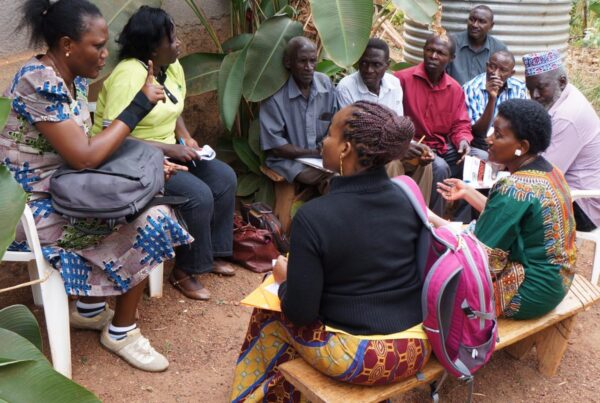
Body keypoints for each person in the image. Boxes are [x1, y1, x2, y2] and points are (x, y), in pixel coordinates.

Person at [2, 0, 193, 371]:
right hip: (27, 207)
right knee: (149, 215)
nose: (106, 54)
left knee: (143, 192)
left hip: (66, 189)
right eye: (97, 46)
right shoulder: (36, 81)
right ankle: (121, 331)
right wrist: (138, 105)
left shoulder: (73, 79)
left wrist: (146, 162)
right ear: (67, 44)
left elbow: (91, 146)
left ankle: (89, 309)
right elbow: (85, 156)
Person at [230, 101, 431, 402]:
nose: (323, 142)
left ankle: (255, 397)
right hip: (417, 347)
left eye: (329, 135)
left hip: (363, 358)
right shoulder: (408, 198)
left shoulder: (314, 217)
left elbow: (301, 314)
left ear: (346, 149)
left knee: (269, 314)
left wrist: (284, 282)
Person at [92, 6, 238, 300]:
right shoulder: (128, 75)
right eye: (172, 39)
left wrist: (184, 138)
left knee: (224, 177)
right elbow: (114, 138)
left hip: (169, 151)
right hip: (129, 159)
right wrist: (168, 148)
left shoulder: (171, 67)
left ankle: (216, 252)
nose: (178, 43)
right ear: (152, 47)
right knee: (198, 195)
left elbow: (174, 107)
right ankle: (186, 270)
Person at [435, 99, 576, 319]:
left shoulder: (513, 189)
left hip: (529, 293)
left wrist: (435, 224)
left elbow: (481, 258)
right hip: (559, 281)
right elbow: (507, 219)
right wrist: (468, 192)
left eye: (498, 135)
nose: (488, 140)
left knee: (442, 276)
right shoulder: (551, 173)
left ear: (522, 147)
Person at [395, 34, 487, 216]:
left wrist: (463, 141)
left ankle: (464, 220)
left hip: (443, 146)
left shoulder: (454, 88)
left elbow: (460, 123)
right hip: (414, 146)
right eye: (430, 50)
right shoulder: (402, 79)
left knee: (480, 158)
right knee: (439, 167)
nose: (433, 56)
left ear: (451, 58)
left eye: (440, 53)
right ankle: (432, 222)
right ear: (424, 51)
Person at [336, 38, 435, 203]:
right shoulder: (346, 87)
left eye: (376, 65)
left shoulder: (394, 84)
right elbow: (354, 133)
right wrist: (397, 148)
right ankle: (389, 214)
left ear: (387, 65)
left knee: (425, 162)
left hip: (391, 147)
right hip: (360, 151)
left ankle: (418, 213)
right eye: (364, 63)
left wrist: (413, 147)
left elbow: (398, 125)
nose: (369, 70)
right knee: (391, 163)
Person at [523, 49, 600, 232]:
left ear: (562, 81)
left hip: (583, 206)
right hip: (566, 190)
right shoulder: (562, 97)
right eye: (529, 88)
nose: (534, 95)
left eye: (540, 87)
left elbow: (542, 175)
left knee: (513, 206)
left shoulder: (567, 116)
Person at [259, 36, 336, 185]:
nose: (309, 67)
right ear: (288, 62)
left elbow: (337, 121)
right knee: (331, 178)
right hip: (289, 161)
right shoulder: (275, 97)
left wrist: (327, 142)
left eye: (313, 61)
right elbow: (277, 148)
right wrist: (315, 153)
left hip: (322, 156)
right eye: (302, 61)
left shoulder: (325, 84)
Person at [463, 50, 528, 151]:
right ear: (487, 65)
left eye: (503, 70)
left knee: (522, 152)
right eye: (492, 66)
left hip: (507, 142)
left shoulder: (518, 87)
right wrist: (492, 98)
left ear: (511, 73)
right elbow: (478, 132)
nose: (495, 73)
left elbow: (522, 122)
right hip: (480, 143)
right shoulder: (471, 88)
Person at [446, 4, 507, 85]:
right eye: (472, 19)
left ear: (491, 26)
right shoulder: (451, 43)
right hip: (453, 95)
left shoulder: (499, 49)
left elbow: (502, 81)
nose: (474, 25)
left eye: (481, 21)